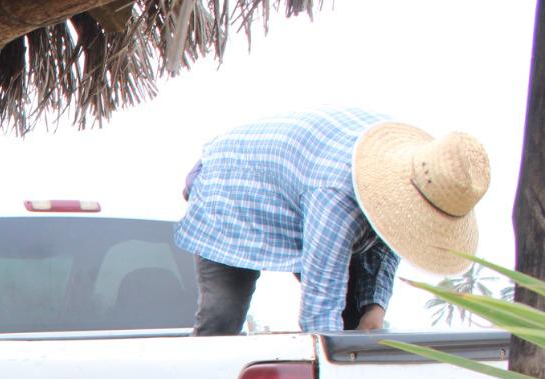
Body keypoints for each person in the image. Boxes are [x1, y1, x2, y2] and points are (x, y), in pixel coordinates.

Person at [176, 108, 491, 335]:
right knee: (223, 317)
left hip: (302, 181)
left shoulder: (414, 177)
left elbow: (387, 238)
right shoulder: (336, 195)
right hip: (231, 187)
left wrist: (374, 310)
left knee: (357, 318)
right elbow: (320, 311)